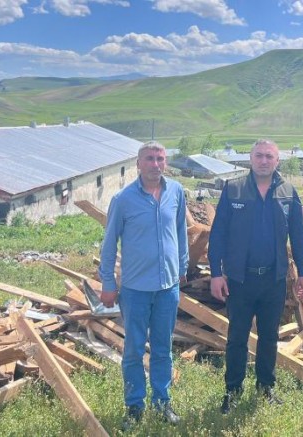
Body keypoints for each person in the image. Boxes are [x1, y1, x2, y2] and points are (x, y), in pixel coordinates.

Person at [208, 139, 303, 414]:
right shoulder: (234, 189)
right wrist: (216, 273)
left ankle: (266, 387)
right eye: (259, 156)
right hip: (240, 280)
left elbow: (298, 235)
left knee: (269, 337)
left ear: (277, 160)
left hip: (273, 280)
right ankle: (232, 390)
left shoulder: (287, 192)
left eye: (269, 156)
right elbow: (218, 234)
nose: (264, 161)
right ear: (251, 159)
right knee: (237, 337)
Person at [99, 141, 188, 428]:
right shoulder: (123, 199)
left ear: (166, 163)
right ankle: (134, 407)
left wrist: (182, 267)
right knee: (134, 350)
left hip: (167, 288)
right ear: (138, 164)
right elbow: (109, 244)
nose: (155, 164)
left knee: (163, 348)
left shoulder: (176, 192)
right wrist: (108, 283)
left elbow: (180, 232)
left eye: (160, 159)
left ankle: (163, 403)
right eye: (149, 159)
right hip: (135, 289)